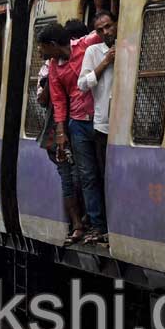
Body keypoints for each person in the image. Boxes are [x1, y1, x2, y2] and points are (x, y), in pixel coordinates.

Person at [43, 21, 106, 244]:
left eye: (43, 48)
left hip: (100, 118)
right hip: (77, 123)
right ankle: (97, 225)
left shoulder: (86, 44)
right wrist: (61, 132)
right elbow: (59, 100)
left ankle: (104, 222)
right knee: (87, 175)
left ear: (52, 44)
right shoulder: (53, 67)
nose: (42, 53)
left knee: (102, 171)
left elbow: (109, 35)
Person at [77, 12, 117, 176]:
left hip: (128, 125)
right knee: (104, 175)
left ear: (116, 24)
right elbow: (82, 84)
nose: (106, 32)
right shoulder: (93, 51)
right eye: (100, 30)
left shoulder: (131, 45)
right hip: (103, 126)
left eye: (108, 26)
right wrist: (106, 61)